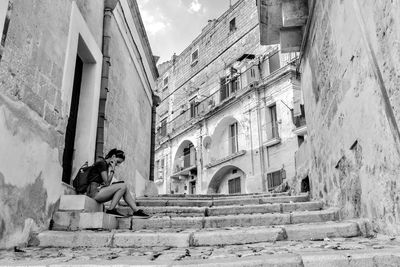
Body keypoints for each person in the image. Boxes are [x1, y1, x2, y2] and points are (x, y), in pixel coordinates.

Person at [86, 148, 150, 218]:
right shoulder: (102, 163)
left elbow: (106, 183)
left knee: (124, 187)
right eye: (118, 162)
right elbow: (107, 183)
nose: (117, 164)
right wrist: (113, 169)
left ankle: (136, 210)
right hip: (94, 193)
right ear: (113, 157)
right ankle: (111, 209)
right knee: (123, 186)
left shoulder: (105, 165)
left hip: (97, 191)